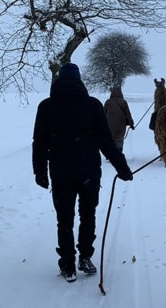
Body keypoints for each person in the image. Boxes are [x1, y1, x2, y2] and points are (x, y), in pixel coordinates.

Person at [32, 63, 134, 283]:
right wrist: (122, 168)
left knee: (64, 219)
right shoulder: (93, 105)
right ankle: (85, 257)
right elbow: (106, 142)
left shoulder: (46, 107)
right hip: (88, 171)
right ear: (80, 81)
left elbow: (39, 143)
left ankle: (68, 264)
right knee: (88, 215)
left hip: (60, 172)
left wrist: (40, 173)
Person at [103, 86, 135, 153]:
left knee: (110, 138)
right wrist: (131, 124)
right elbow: (128, 114)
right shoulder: (123, 102)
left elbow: (103, 114)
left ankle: (109, 152)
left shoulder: (108, 102)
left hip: (109, 124)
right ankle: (118, 151)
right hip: (121, 124)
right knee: (119, 138)